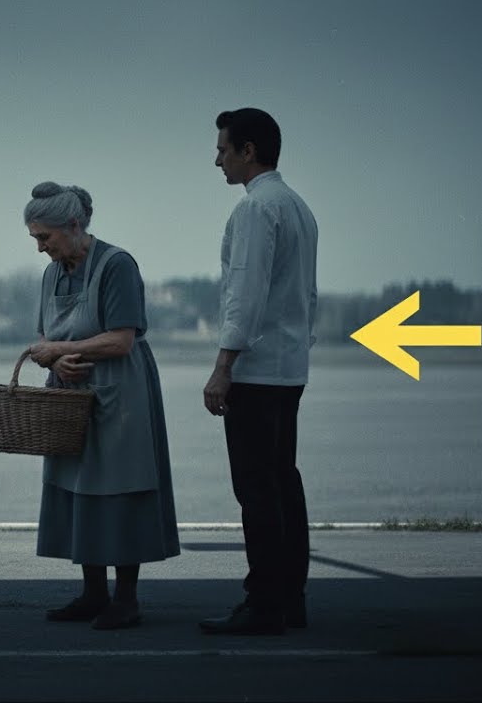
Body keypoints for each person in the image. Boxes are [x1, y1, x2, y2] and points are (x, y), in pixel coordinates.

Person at [23, 181, 181, 631]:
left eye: (45, 238)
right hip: (71, 392)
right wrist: (53, 356)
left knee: (121, 486)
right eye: (36, 239)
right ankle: (93, 593)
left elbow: (122, 337)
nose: (40, 248)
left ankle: (126, 599)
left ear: (73, 226)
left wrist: (61, 352)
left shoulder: (117, 266)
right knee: (78, 486)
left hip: (120, 390)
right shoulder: (52, 273)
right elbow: (46, 337)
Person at [198, 108, 319, 636]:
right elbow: (305, 297)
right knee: (284, 484)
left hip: (256, 373)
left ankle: (264, 601)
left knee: (257, 491)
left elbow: (244, 298)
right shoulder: (298, 207)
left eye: (224, 149)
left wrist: (223, 367)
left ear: (249, 151)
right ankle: (290, 598)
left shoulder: (254, 212)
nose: (217, 158)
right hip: (289, 370)